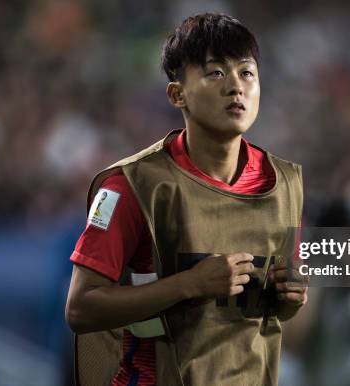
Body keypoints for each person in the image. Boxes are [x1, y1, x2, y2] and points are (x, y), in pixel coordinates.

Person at [65, 13, 306, 386]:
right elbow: (81, 309)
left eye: (247, 73)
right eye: (215, 73)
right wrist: (188, 285)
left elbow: (269, 311)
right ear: (178, 94)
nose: (236, 87)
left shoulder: (286, 184)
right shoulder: (129, 186)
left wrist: (289, 297)